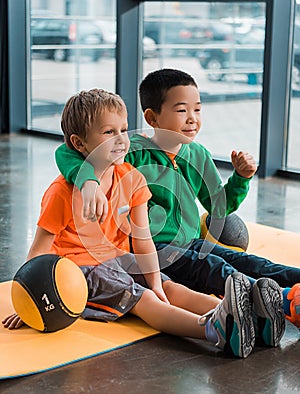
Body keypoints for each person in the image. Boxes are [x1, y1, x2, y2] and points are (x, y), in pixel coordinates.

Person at [4, 87, 285, 358]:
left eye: (124, 130)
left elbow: (142, 240)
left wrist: (156, 281)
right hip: (78, 271)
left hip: (119, 257)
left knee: (170, 288)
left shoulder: (132, 179)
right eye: (108, 132)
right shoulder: (62, 192)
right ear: (79, 143)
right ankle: (215, 329)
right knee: (144, 299)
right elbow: (40, 249)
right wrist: (29, 298)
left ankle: (247, 315)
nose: (121, 139)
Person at [54, 71, 299, 329]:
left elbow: (220, 208)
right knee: (216, 268)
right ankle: (283, 302)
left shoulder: (198, 155)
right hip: (153, 249)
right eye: (182, 110)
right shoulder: (133, 151)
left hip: (191, 241)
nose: (192, 119)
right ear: (152, 117)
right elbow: (66, 151)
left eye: (198, 110)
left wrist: (240, 178)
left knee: (248, 262)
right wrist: (88, 181)